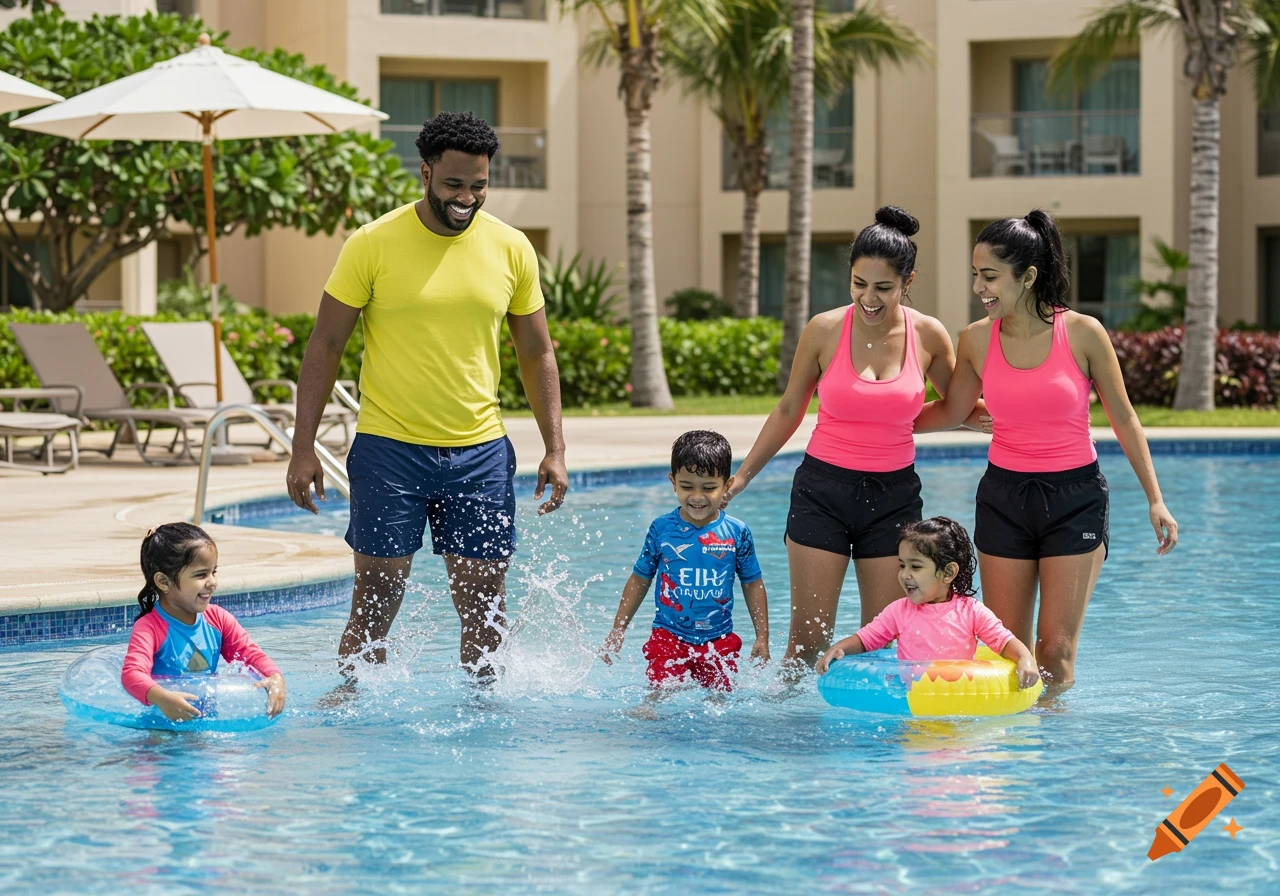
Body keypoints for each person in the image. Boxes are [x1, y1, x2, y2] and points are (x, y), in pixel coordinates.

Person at [285, 111, 568, 680]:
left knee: (486, 606)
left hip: (479, 451)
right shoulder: (372, 243)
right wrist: (302, 446)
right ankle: (352, 708)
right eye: (454, 184)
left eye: (479, 185)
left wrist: (555, 448)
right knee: (376, 598)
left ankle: (485, 719)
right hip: (389, 448)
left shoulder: (511, 249)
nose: (467, 198)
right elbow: (326, 343)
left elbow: (536, 351)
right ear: (425, 173)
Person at [914, 209, 1178, 693]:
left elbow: (1124, 417)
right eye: (975, 275)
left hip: (1073, 500)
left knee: (1054, 651)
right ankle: (1015, 758)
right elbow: (951, 410)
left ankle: (1054, 761)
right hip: (1004, 498)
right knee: (1004, 650)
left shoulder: (1083, 333)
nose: (979, 288)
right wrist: (875, 422)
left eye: (990, 276)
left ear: (1029, 276)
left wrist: (1154, 498)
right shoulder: (975, 340)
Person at [725, 206, 985, 669]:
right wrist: (742, 477)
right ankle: (787, 737)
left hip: (893, 498)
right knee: (805, 644)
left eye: (884, 287)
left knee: (885, 641)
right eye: (859, 283)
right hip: (821, 491)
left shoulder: (927, 334)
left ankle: (879, 743)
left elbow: (956, 406)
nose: (869, 297)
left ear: (908, 282)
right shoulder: (824, 329)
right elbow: (789, 408)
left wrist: (1005, 420)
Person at [601, 431, 769, 691]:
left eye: (709, 488)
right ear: (673, 482)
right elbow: (640, 578)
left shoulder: (737, 532)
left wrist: (762, 636)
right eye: (687, 487)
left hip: (719, 638)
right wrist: (618, 628)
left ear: (727, 484)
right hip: (669, 634)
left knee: (720, 698)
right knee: (659, 692)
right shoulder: (662, 529)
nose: (697, 497)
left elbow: (752, 583)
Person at [816, 517, 1039, 690]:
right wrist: (839, 648)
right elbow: (865, 640)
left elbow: (1004, 642)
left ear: (948, 572)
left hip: (959, 696)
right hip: (912, 697)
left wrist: (1025, 659)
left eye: (915, 567)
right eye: (902, 565)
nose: (904, 575)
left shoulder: (971, 612)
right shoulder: (898, 611)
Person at [121, 523, 286, 722]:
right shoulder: (150, 628)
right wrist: (162, 698)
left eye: (213, 572)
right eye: (201, 575)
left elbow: (249, 653)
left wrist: (275, 676)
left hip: (207, 724)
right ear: (164, 582)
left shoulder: (218, 619)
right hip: (162, 729)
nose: (212, 582)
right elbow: (131, 674)